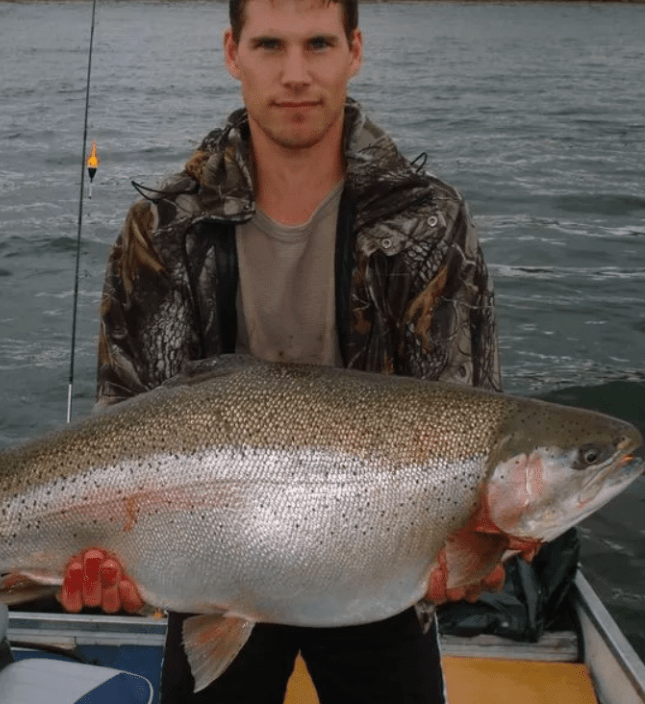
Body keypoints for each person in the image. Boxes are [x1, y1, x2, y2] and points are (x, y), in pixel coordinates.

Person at [60, 0, 503, 701]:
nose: (295, 73)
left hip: (380, 575)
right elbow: (124, 419)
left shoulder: (429, 221)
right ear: (232, 53)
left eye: (317, 44)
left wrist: (476, 543)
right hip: (206, 562)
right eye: (270, 45)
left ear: (354, 51)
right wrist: (112, 561)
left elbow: (468, 417)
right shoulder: (162, 229)